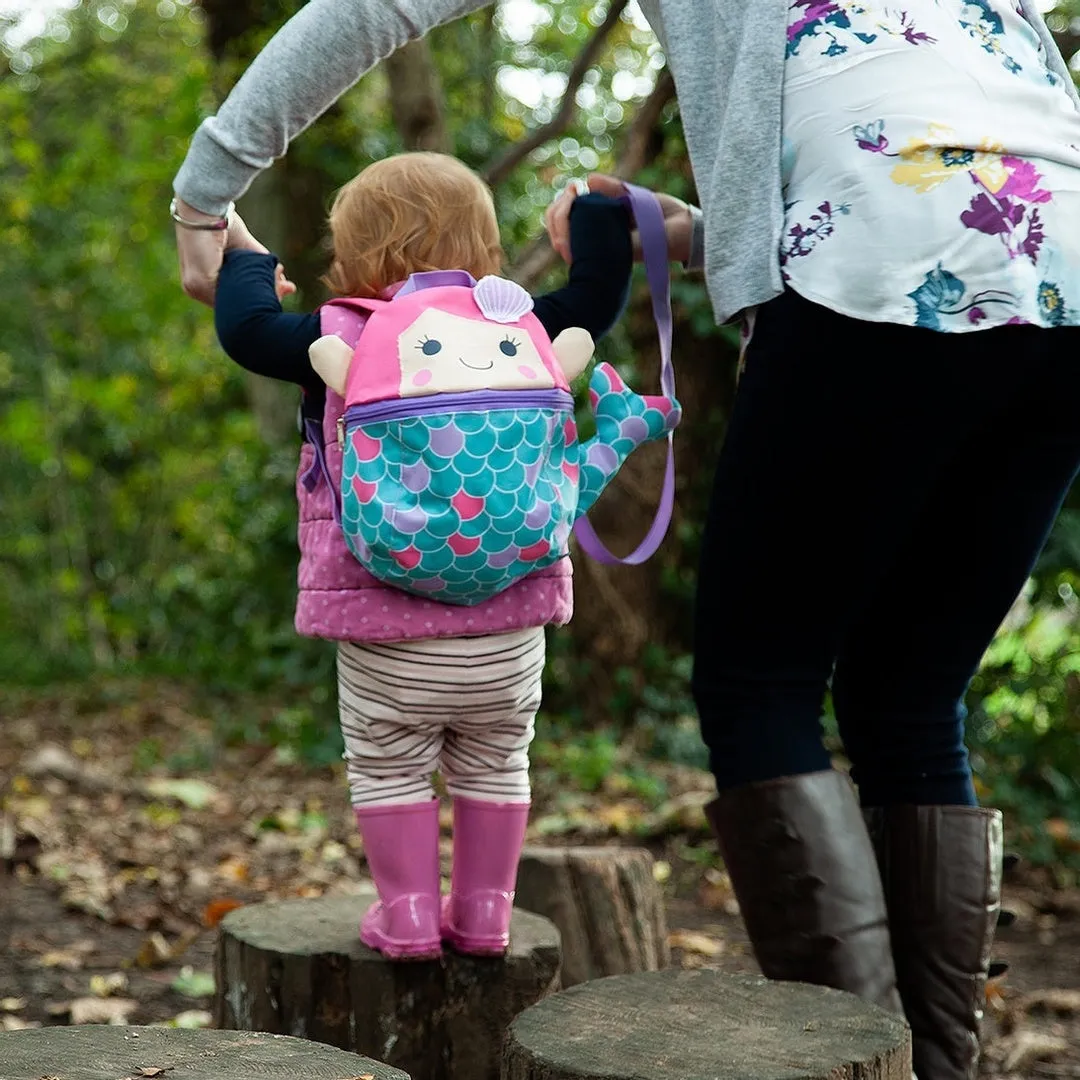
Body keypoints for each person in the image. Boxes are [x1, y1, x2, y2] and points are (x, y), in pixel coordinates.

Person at [172, 2, 1080, 1074]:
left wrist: (208, 185)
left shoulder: (357, 338)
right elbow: (930, 138)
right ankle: (935, 1063)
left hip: (876, 249)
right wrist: (681, 227)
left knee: (762, 688)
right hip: (1058, 251)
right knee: (914, 699)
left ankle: (864, 1068)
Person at [209, 149, 642, 960]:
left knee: (387, 767)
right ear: (485, 252)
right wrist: (592, 211)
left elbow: (245, 330)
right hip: (511, 626)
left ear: (352, 258)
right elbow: (598, 295)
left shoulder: (342, 334)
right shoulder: (524, 329)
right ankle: (484, 913)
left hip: (381, 626)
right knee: (497, 761)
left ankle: (407, 914)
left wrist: (245, 258)